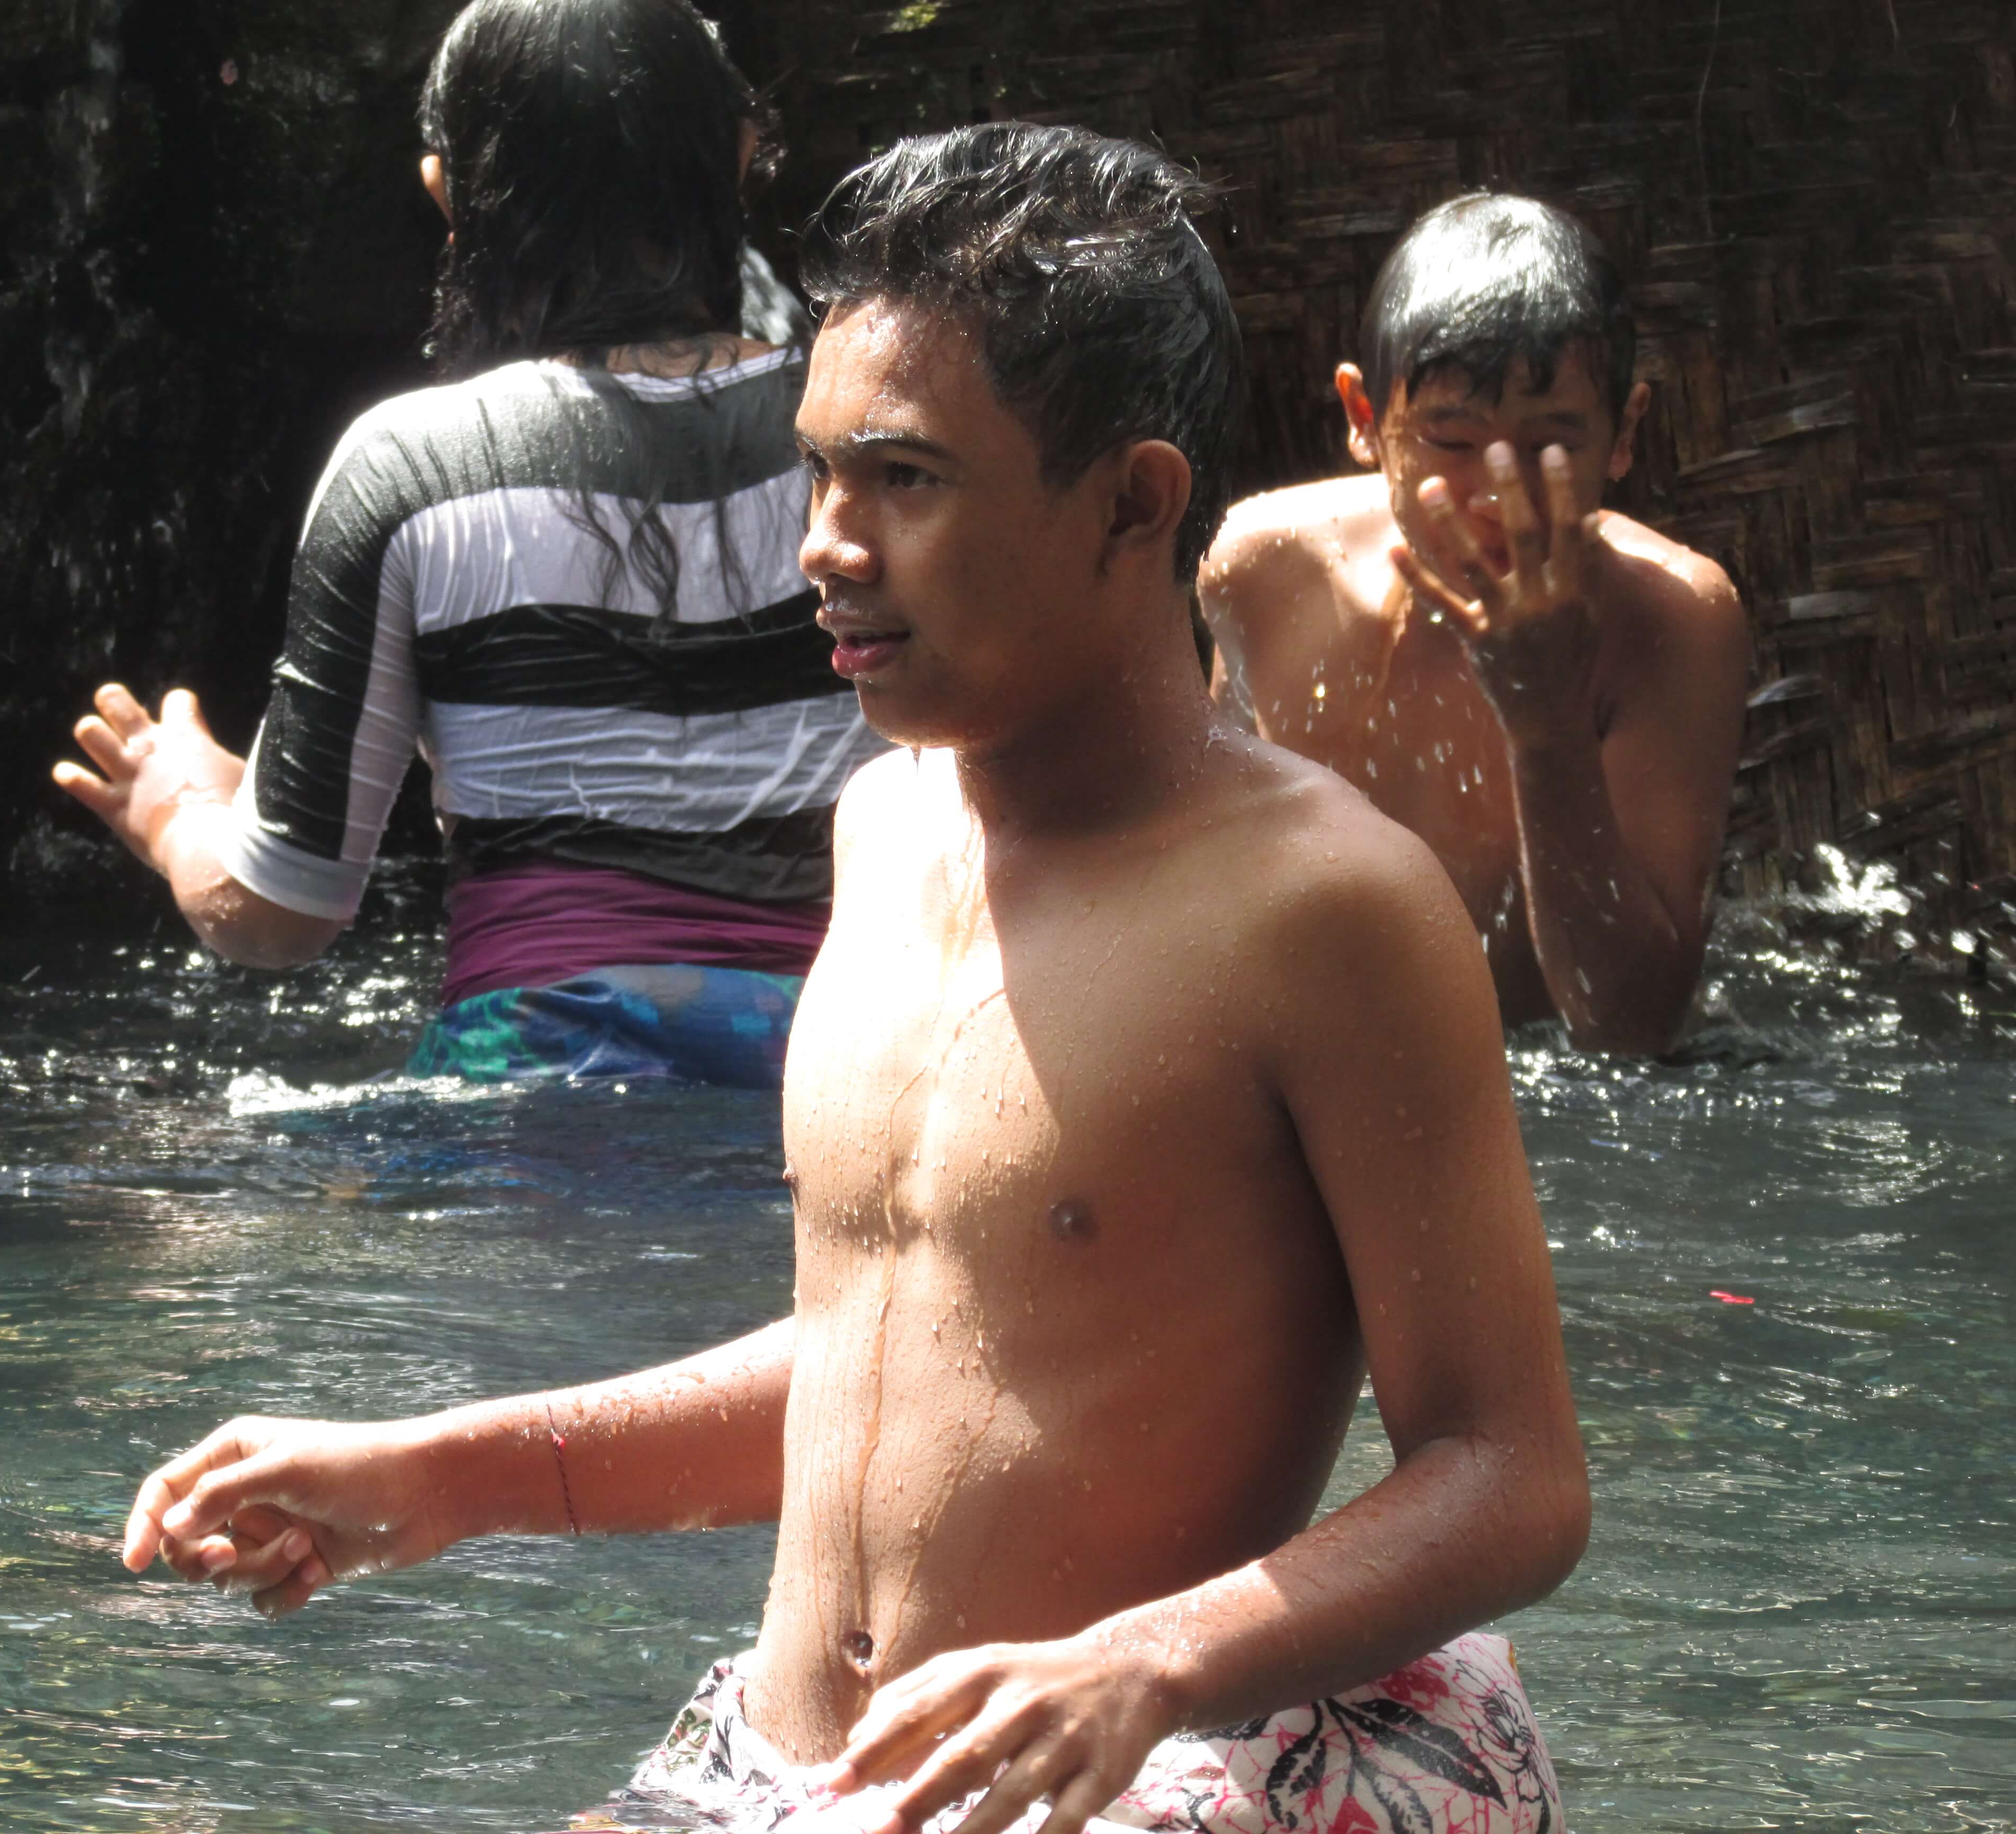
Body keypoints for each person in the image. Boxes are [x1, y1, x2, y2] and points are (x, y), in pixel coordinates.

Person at [118, 126, 1588, 1834]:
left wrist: (1145, 1665)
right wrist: (446, 1470)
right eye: (818, 471)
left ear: (1135, 501)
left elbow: (1512, 1476)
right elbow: (890, 1351)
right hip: (778, 1765)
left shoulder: (1327, 910)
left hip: (1122, 1779)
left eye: (905, 479)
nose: (826, 541)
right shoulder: (883, 826)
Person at [51, 0, 882, 1088]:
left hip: (527, 1099)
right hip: (844, 1076)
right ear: (736, 156)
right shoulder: (871, 441)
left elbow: (280, 913)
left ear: (447, 190)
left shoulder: (410, 469)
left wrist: (177, 809)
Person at [1199, 193, 1751, 1056]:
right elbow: (1213, 897)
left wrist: (1548, 724)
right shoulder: (1263, 571)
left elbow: (1626, 1026)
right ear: (1366, 421)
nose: (1500, 497)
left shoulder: (1673, 619)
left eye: (1552, 445)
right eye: (1453, 442)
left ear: (1623, 434)